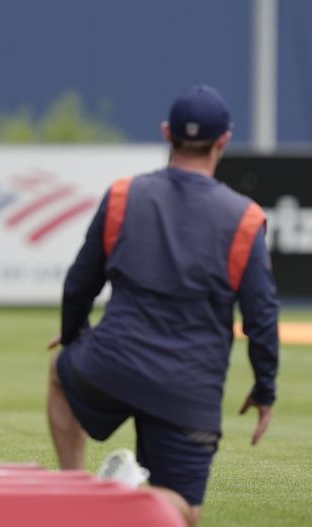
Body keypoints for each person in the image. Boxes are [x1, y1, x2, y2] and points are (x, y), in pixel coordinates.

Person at [46, 85, 280, 526]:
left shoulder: (122, 196)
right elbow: (262, 318)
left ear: (166, 133)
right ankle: (129, 497)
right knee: (183, 511)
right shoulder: (245, 217)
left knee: (60, 376)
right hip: (188, 387)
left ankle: (74, 491)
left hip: (112, 360)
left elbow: (79, 284)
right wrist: (265, 388)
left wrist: (75, 334)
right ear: (224, 141)